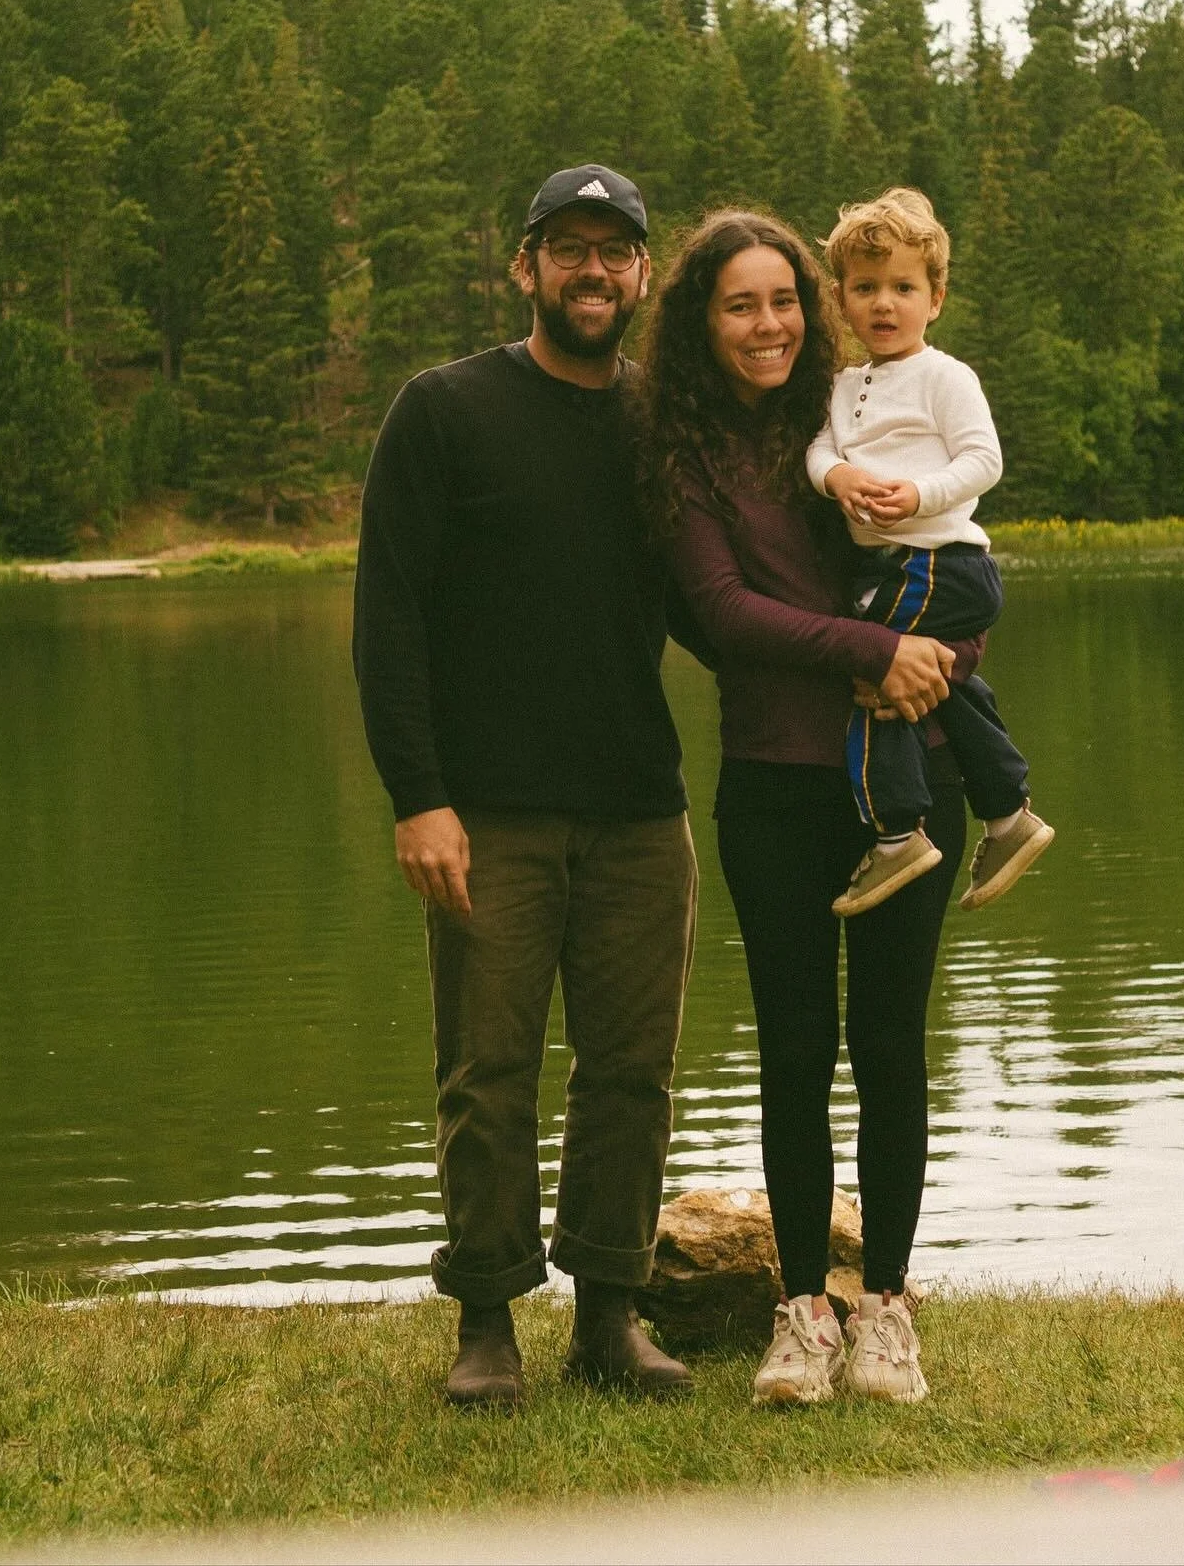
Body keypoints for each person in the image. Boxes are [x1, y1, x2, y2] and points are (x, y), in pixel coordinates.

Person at [353, 163, 697, 1410]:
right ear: (524, 267)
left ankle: (611, 1313)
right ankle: (488, 1320)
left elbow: (715, 599)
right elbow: (387, 620)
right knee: (484, 1067)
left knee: (631, 1070)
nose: (592, 270)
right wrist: (417, 793)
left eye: (615, 250)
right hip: (483, 812)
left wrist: (854, 651)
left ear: (645, 274)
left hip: (638, 810)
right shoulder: (442, 412)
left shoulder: (662, 422)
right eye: (569, 248)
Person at [638, 208, 979, 1408]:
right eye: (741, 304)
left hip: (907, 774)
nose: (770, 323)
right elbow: (722, 612)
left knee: (892, 1046)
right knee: (794, 1046)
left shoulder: (864, 404)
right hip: (776, 781)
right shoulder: (681, 456)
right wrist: (869, 650)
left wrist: (936, 651)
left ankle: (884, 1307)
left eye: (785, 300)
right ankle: (800, 1314)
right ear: (702, 319)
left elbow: (958, 554)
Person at [807, 186, 1054, 918]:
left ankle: (896, 834)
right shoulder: (841, 384)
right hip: (903, 565)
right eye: (866, 288)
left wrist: (919, 497)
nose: (885, 304)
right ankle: (1009, 813)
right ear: (843, 300)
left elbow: (984, 461)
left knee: (873, 659)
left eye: (904, 288)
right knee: (941, 679)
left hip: (938, 559)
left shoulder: (946, 377)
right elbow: (818, 450)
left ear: (935, 297)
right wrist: (839, 475)